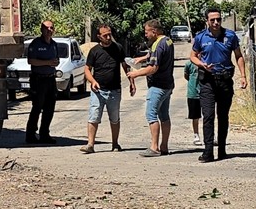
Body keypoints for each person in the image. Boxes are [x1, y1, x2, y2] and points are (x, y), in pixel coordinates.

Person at [189, 8, 247, 163]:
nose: (216, 22)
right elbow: (192, 56)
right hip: (207, 81)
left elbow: (239, 56)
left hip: (225, 81)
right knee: (208, 116)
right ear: (207, 21)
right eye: (212, 20)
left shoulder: (230, 36)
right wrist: (202, 64)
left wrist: (243, 76)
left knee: (223, 116)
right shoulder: (201, 37)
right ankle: (208, 151)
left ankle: (222, 150)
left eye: (218, 19)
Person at [79, 24, 135, 154]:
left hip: (115, 90)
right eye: (105, 35)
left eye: (110, 34)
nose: (109, 37)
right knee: (94, 116)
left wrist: (132, 82)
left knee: (114, 118)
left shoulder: (118, 48)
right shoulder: (95, 51)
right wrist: (92, 81)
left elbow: (125, 66)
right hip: (98, 91)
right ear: (99, 36)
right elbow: (87, 69)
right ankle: (90, 144)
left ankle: (115, 144)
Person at [127, 19, 175, 157]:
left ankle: (154, 147)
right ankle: (164, 146)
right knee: (164, 116)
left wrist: (136, 73)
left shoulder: (157, 45)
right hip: (168, 85)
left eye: (147, 32)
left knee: (151, 114)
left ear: (154, 31)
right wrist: (140, 59)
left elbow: (153, 67)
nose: (145, 35)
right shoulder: (167, 41)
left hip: (158, 86)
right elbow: (154, 56)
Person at [24, 20, 60, 145]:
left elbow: (56, 60)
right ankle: (30, 134)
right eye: (46, 28)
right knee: (37, 107)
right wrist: (48, 62)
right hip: (38, 80)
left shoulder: (54, 44)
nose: (49, 30)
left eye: (51, 28)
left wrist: (55, 62)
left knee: (50, 108)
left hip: (51, 79)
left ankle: (45, 134)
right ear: (41, 29)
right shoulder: (36, 43)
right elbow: (31, 61)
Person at [183, 59, 203, 147]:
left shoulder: (206, 62)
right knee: (195, 116)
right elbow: (186, 76)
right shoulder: (189, 64)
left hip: (205, 93)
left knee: (208, 115)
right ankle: (196, 134)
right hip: (193, 93)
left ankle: (211, 135)